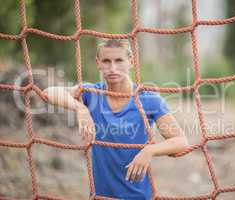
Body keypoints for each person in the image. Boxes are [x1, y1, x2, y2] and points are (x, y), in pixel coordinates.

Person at [43, 39, 188, 200]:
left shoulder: (149, 100)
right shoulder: (92, 93)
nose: (112, 68)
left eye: (119, 61)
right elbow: (49, 92)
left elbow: (181, 141)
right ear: (98, 63)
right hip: (101, 196)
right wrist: (81, 108)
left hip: (139, 196)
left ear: (131, 61)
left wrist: (150, 151)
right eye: (106, 61)